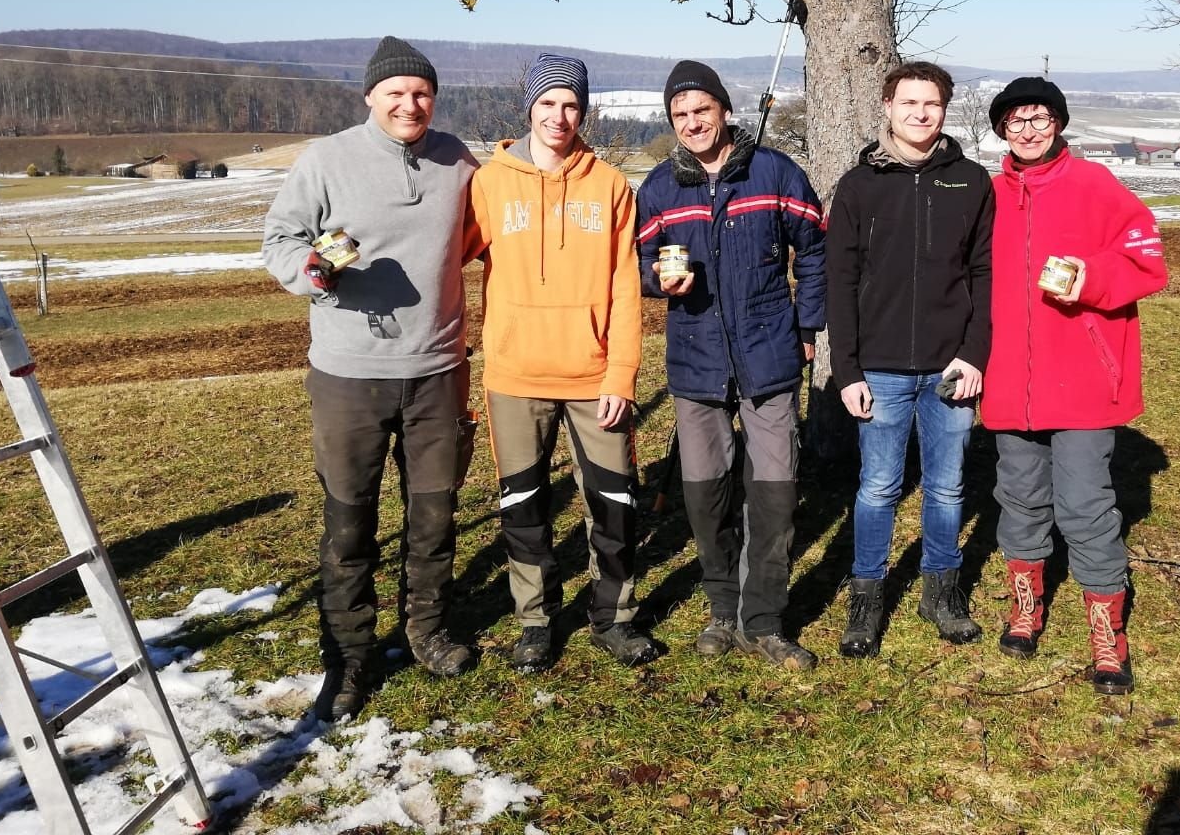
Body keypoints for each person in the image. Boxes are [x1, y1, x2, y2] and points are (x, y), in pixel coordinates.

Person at [262, 36, 485, 723]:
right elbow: (280, 238)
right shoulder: (326, 159)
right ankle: (349, 656)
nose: (409, 104)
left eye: (420, 93)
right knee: (349, 525)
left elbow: (486, 236)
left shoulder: (458, 162)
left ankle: (426, 631)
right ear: (370, 97)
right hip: (348, 376)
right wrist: (311, 272)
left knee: (433, 518)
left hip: (436, 370)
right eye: (395, 93)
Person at [635, 60, 826, 671]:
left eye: (702, 110)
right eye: (680, 115)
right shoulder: (661, 188)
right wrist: (658, 280)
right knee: (705, 494)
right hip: (695, 362)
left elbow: (815, 249)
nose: (692, 122)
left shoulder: (773, 172)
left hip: (769, 356)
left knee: (774, 492)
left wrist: (807, 326)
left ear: (724, 110)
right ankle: (722, 609)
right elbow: (640, 263)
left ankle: (763, 620)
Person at [470, 52, 656, 672]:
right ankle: (535, 622)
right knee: (523, 506)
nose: (559, 115)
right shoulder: (490, 183)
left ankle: (615, 616)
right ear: (528, 107)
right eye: (547, 103)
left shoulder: (607, 184)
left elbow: (626, 285)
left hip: (593, 375)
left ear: (585, 109)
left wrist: (620, 373)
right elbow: (441, 253)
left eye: (571, 104)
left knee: (614, 502)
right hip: (514, 376)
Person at [982, 76, 1167, 694]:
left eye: (1039, 119)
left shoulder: (1096, 185)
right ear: (1002, 129)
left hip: (1085, 378)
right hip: (1011, 378)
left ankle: (1106, 636)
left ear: (1057, 124)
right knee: (1020, 498)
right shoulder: (989, 197)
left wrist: (1090, 280)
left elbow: (1148, 261)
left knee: (1085, 505)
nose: (1028, 130)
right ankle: (1025, 606)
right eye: (1015, 121)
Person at [826, 61, 994, 658]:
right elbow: (839, 283)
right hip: (881, 367)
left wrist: (973, 354)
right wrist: (846, 370)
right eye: (909, 103)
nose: (920, 114)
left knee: (947, 489)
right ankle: (867, 599)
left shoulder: (971, 181)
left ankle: (941, 594)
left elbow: (985, 273)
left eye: (932, 104)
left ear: (945, 110)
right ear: (888, 107)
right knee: (877, 489)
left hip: (951, 368)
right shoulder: (859, 186)